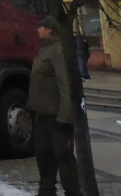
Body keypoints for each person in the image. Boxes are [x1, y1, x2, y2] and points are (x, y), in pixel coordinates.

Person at [28, 15, 81, 196]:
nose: (38, 30)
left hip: (57, 117)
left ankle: (73, 192)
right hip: (43, 114)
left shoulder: (58, 50)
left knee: (63, 157)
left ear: (49, 29)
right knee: (43, 155)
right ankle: (46, 191)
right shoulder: (45, 50)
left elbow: (65, 85)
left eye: (41, 27)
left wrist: (65, 118)